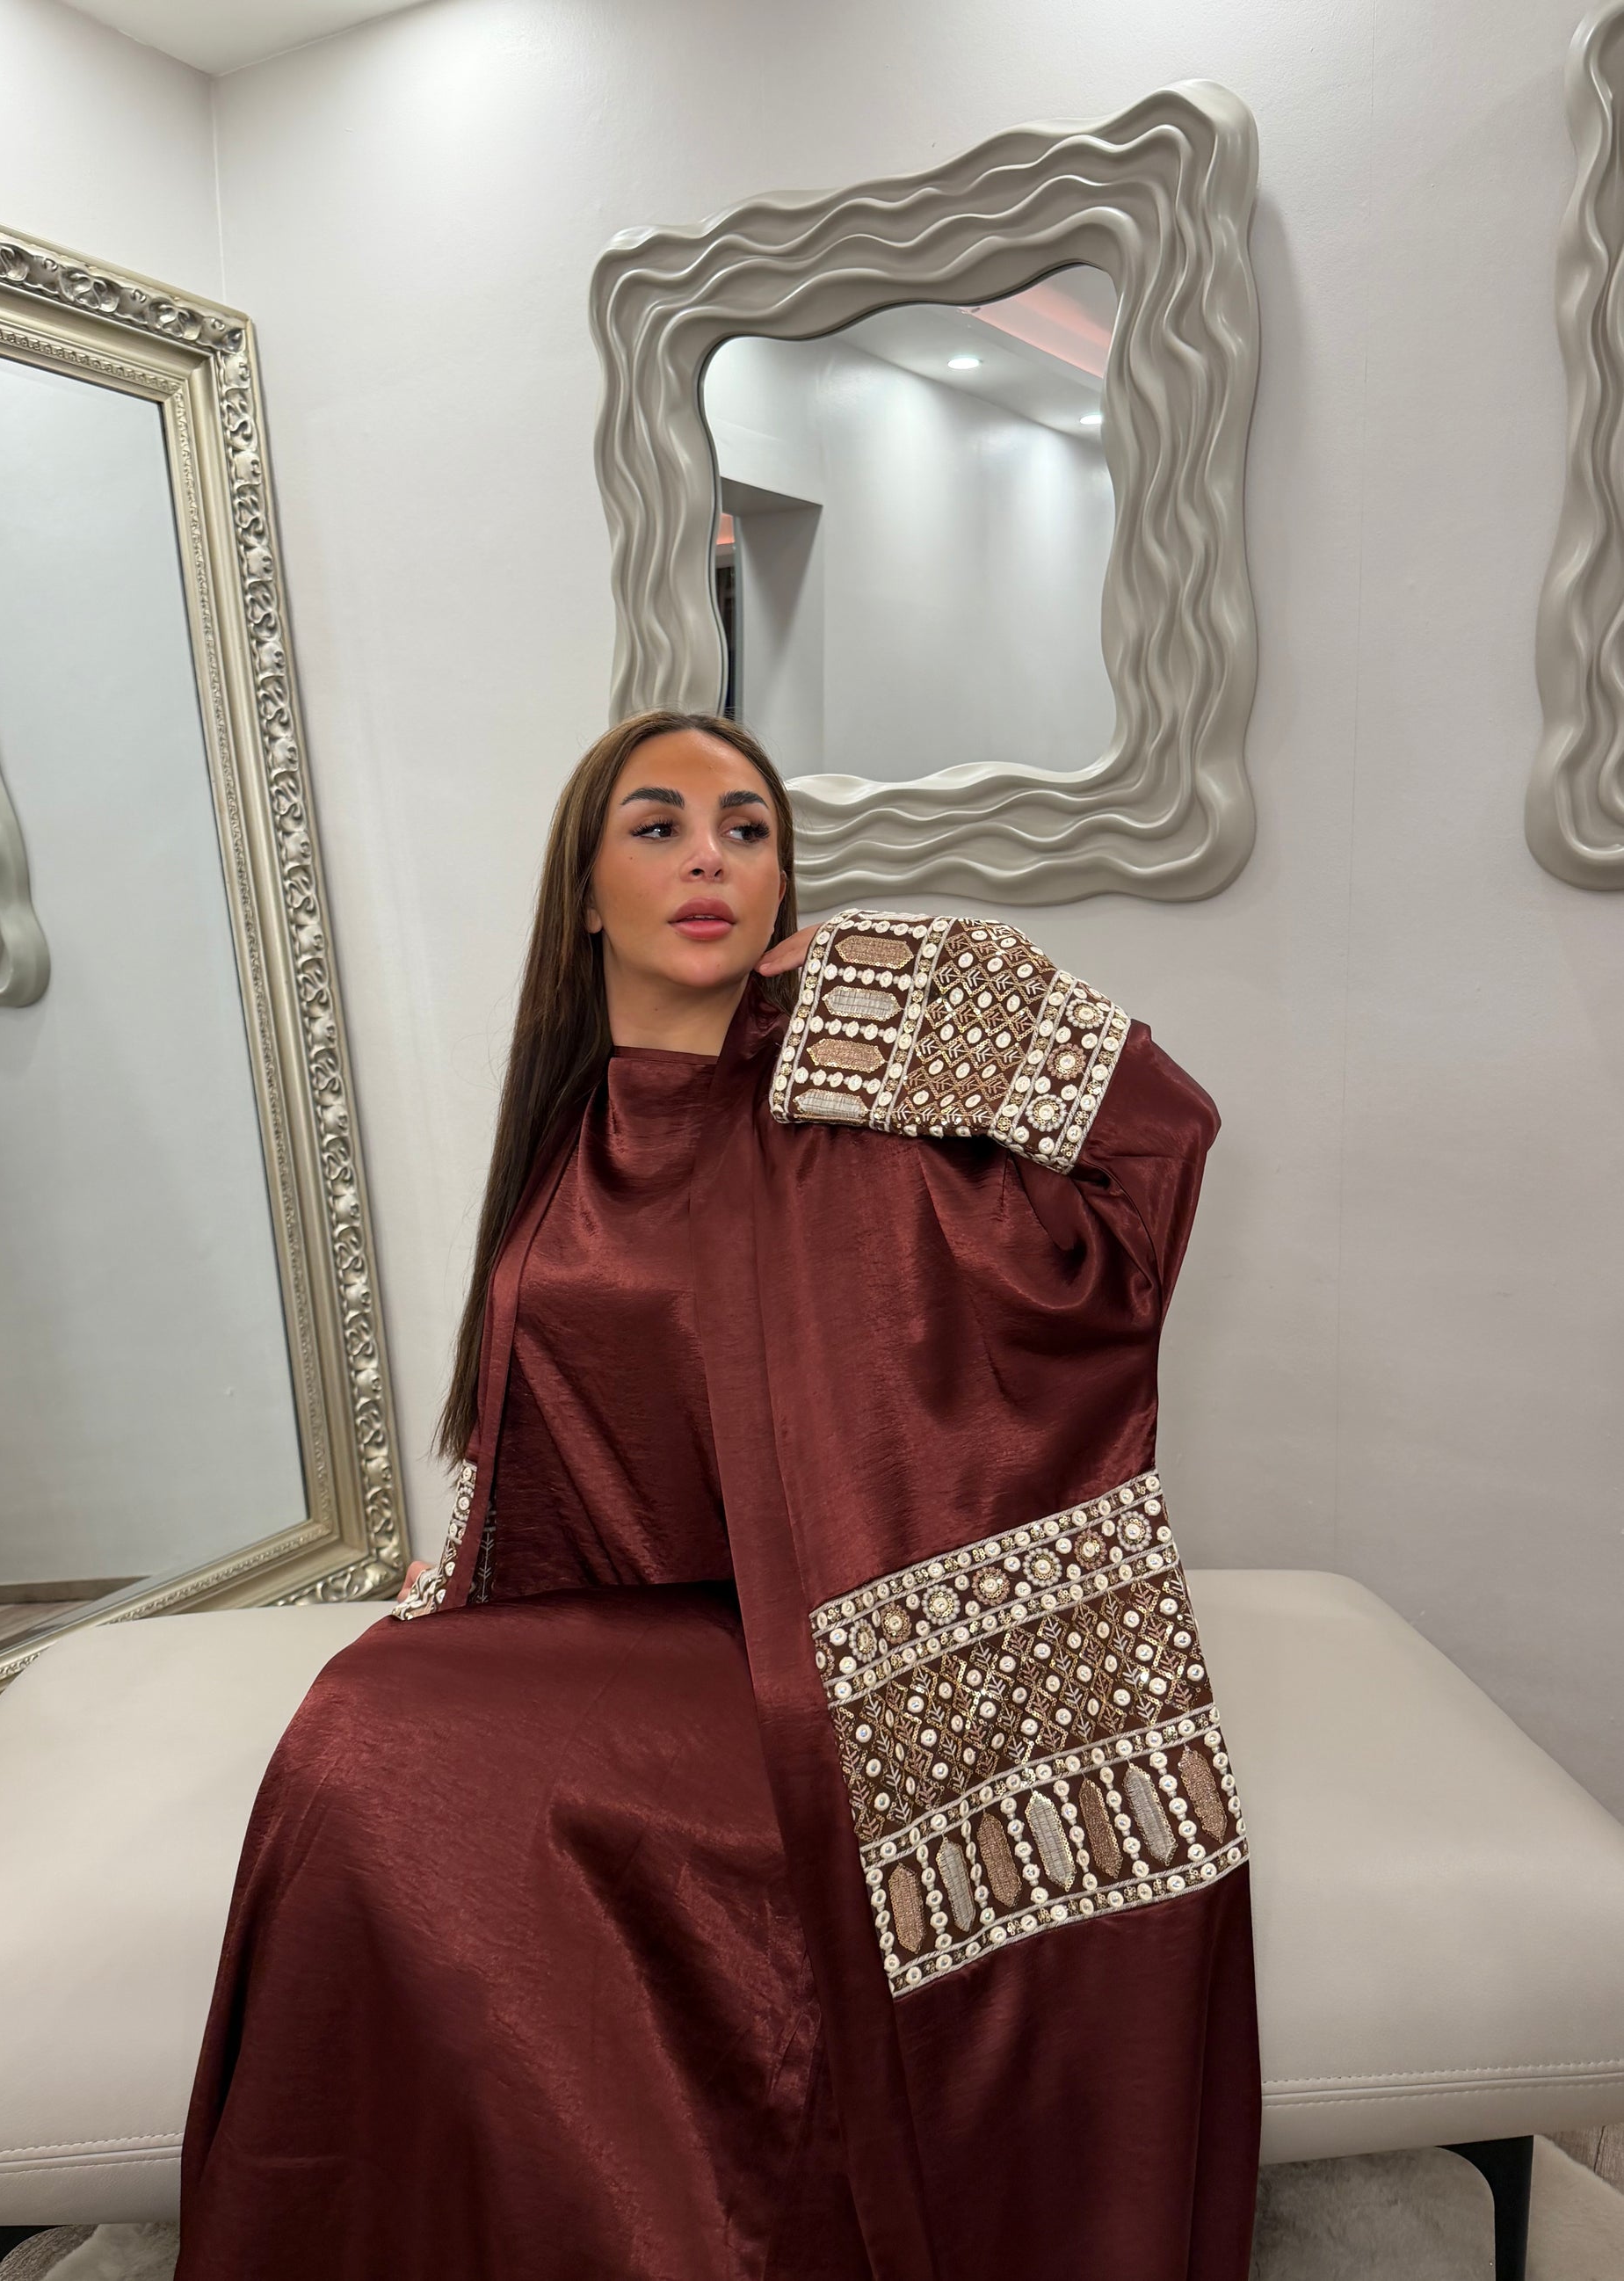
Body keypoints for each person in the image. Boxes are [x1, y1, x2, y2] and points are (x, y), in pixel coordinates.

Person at [173, 709, 1260, 2281]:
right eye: (660, 825)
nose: (710, 859)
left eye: (746, 830)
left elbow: (1157, 1146)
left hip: (842, 1670)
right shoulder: (572, 1132)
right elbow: (559, 1442)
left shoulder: (850, 1101)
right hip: (654, 1639)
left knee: (379, 1746)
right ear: (584, 892)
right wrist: (463, 1582)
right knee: (368, 1735)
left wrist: (936, 984)